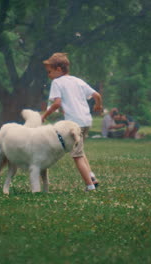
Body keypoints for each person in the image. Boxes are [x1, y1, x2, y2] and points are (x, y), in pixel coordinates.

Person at [41, 52, 103, 191]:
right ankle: (91, 176)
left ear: (58, 69)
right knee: (80, 151)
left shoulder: (57, 82)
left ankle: (90, 186)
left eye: (49, 72)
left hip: (74, 124)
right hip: (86, 121)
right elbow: (97, 95)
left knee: (76, 156)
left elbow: (57, 103)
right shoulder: (77, 81)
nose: (48, 75)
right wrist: (98, 105)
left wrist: (44, 115)